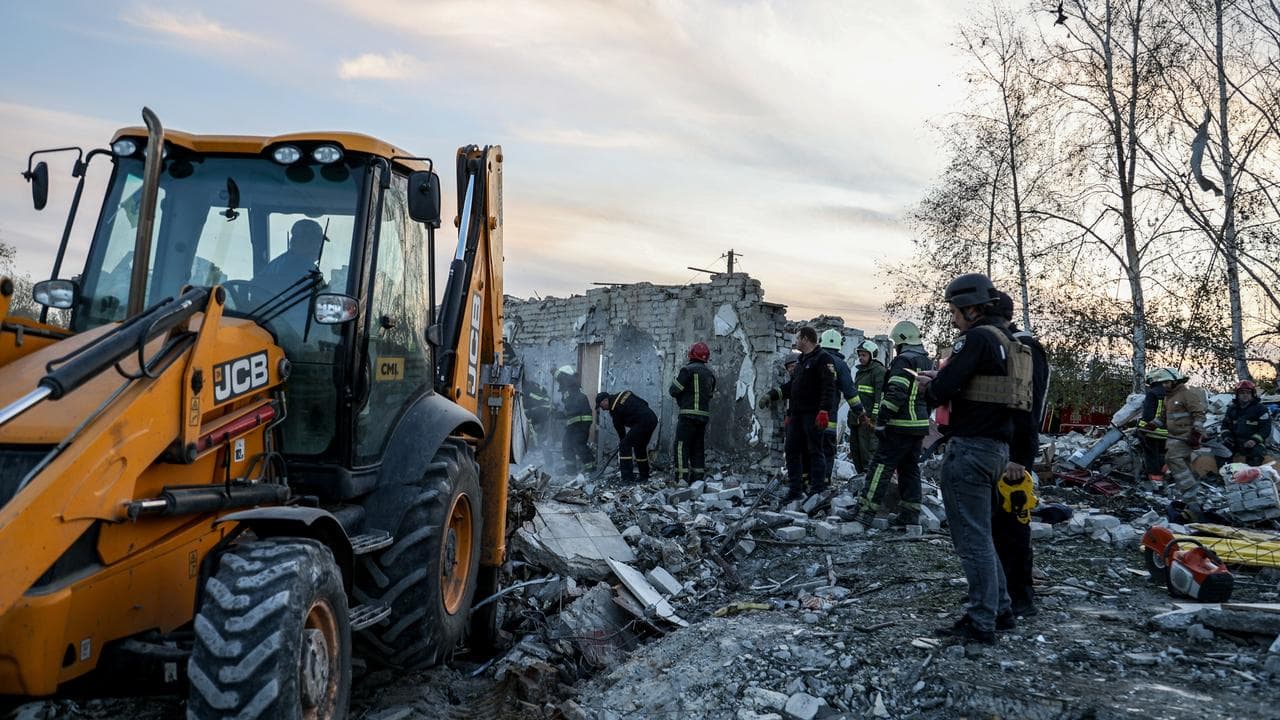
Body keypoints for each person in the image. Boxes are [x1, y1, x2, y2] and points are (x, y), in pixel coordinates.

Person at [915, 273, 1035, 645]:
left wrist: (929, 386)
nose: (952, 318)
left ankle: (981, 619)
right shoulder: (1007, 341)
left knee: (972, 538)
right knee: (984, 534)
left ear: (970, 308)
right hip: (998, 448)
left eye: (954, 310)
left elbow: (943, 390)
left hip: (971, 448)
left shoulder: (975, 338)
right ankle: (1000, 608)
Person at [992, 291, 1050, 618]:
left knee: (1013, 524)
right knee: (997, 525)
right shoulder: (1004, 345)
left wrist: (1019, 457)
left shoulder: (1024, 348)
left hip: (1014, 456)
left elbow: (1028, 408)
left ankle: (1020, 596)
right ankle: (1001, 591)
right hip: (1000, 449)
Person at [855, 320, 930, 526]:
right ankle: (910, 514)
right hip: (918, 426)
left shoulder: (903, 361)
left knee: (881, 465)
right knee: (909, 468)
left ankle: (865, 511)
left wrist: (881, 421)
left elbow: (896, 392)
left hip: (900, 425)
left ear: (901, 342)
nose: (895, 348)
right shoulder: (925, 360)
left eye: (896, 345)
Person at [779, 327, 837, 502]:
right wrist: (775, 394)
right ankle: (795, 489)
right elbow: (793, 387)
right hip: (797, 414)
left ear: (805, 338)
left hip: (813, 414)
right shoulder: (802, 360)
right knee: (791, 450)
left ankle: (817, 489)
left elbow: (829, 386)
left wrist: (824, 410)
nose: (795, 341)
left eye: (797, 337)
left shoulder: (822, 358)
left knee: (814, 451)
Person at [818, 329, 865, 482]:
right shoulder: (840, 364)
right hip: (828, 418)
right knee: (827, 449)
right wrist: (860, 412)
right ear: (839, 346)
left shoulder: (811, 360)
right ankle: (823, 481)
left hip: (807, 417)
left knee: (810, 449)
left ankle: (807, 482)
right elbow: (850, 393)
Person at [670, 341, 717, 483]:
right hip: (703, 417)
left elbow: (673, 390)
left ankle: (681, 480)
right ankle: (697, 480)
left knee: (681, 446)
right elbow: (709, 395)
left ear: (691, 354)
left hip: (687, 415)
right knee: (697, 447)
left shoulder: (687, 370)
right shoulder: (710, 375)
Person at [1162, 368, 1207, 500]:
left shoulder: (1187, 395)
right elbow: (1162, 418)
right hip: (1172, 436)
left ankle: (1189, 488)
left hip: (1185, 435)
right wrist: (1152, 424)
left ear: (1175, 381)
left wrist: (1196, 432)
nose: (1164, 386)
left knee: (1172, 458)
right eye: (1162, 383)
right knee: (1183, 462)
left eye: (1167, 382)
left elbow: (1199, 414)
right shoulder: (1168, 398)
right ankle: (1193, 493)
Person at [597, 390, 658, 482]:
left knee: (624, 446)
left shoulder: (615, 408)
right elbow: (645, 403)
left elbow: (620, 430)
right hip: (652, 418)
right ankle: (644, 476)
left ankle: (627, 478)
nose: (602, 409)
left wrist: (623, 442)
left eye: (601, 405)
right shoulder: (624, 394)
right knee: (639, 447)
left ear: (605, 400)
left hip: (642, 422)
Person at [851, 339, 886, 474]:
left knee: (867, 450)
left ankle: (868, 477)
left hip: (869, 419)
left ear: (872, 355)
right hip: (857, 418)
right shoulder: (861, 371)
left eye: (864, 355)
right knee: (855, 449)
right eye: (859, 354)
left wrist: (874, 418)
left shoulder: (879, 371)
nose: (861, 358)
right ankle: (860, 476)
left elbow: (880, 397)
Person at [555, 366, 596, 474]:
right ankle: (571, 471)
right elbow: (570, 409)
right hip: (574, 423)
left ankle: (591, 470)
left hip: (581, 423)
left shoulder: (570, 385)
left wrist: (555, 372)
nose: (558, 382)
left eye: (559, 378)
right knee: (567, 444)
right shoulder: (569, 389)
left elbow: (573, 408)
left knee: (579, 444)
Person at [1139, 368, 1175, 485]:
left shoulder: (1152, 394)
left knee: (1151, 455)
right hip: (1169, 433)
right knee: (1165, 455)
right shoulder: (1172, 394)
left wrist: (1141, 428)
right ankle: (1168, 475)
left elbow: (1148, 415)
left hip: (1153, 432)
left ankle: (1156, 482)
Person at [260, 218, 324, 284]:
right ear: (298, 241)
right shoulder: (302, 267)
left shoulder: (278, 263)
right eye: (315, 241)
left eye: (320, 242)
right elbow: (317, 291)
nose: (319, 246)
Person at [1223, 380, 1271, 466]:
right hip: (1235, 442)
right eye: (1242, 393)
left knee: (1256, 455)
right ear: (1237, 395)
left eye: (1248, 393)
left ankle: (1251, 476)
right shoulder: (1231, 409)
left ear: (1253, 394)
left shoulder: (1261, 409)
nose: (1245, 395)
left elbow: (1265, 429)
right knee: (1221, 451)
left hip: (1254, 442)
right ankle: (1225, 475)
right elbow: (1225, 426)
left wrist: (1254, 440)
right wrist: (1227, 437)